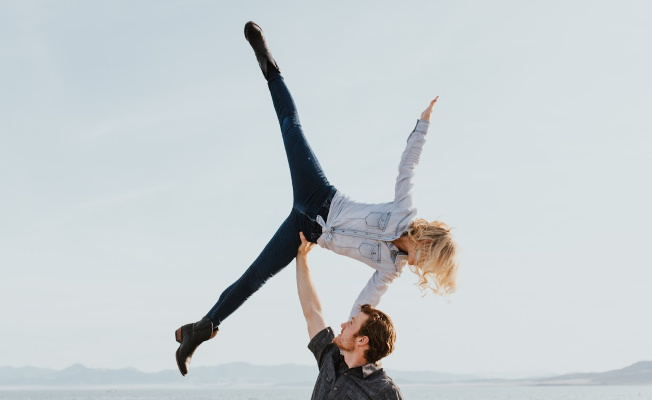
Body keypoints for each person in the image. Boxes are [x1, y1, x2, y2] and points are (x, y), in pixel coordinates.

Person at [174, 21, 458, 376]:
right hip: (320, 195)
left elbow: (364, 305)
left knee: (254, 278)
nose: (420, 268)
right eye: (427, 262)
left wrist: (355, 345)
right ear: (426, 244)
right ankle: (268, 64)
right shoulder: (404, 210)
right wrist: (424, 125)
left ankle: (198, 331)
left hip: (308, 232)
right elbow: (408, 166)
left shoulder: (390, 269)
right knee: (291, 126)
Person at [296, 231, 403, 399]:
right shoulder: (330, 356)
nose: (343, 325)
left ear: (362, 340)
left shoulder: (384, 390)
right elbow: (312, 312)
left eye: (351, 323)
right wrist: (302, 257)